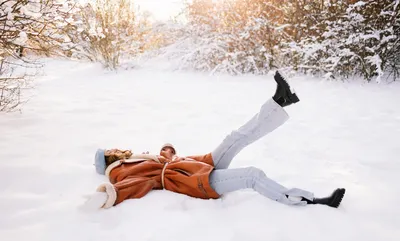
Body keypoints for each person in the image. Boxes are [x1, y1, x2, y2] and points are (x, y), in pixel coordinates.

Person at [84, 71, 346, 210]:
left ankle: (281, 101)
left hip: (198, 164)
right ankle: (311, 201)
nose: (117, 149)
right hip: (194, 182)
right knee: (252, 176)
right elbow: (134, 186)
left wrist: (166, 149)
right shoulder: (120, 173)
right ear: (110, 160)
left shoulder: (134, 159)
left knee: (236, 138)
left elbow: (163, 159)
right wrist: (108, 196)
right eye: (111, 151)